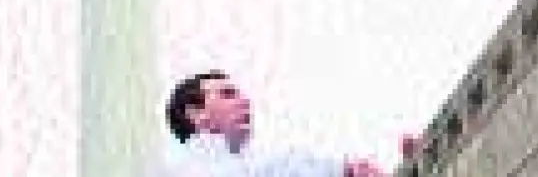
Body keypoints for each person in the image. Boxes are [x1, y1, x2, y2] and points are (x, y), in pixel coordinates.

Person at [156, 70, 388, 177]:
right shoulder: (179, 167)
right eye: (227, 94)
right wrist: (339, 170)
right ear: (195, 113)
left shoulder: (249, 161)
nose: (244, 102)